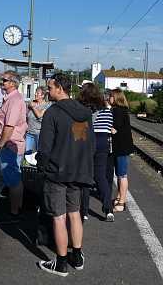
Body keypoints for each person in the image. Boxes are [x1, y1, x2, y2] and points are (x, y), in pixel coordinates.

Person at [37, 73, 94, 277]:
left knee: (59, 218)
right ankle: (77, 256)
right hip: (77, 172)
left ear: (60, 88)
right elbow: (84, 142)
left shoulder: (52, 113)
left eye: (50, 87)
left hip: (57, 173)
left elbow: (44, 148)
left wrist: (42, 168)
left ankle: (60, 263)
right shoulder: (83, 112)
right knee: (75, 213)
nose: (48, 91)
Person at [0, 71, 27, 222]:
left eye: (4, 80)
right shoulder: (11, 99)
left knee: (13, 180)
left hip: (9, 146)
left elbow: (9, 126)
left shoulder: (14, 100)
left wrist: (1, 145)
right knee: (15, 178)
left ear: (13, 83)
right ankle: (17, 208)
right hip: (12, 146)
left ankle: (14, 212)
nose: (2, 82)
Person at [78, 83, 114, 222]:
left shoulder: (86, 110)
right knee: (101, 176)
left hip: (90, 141)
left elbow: (82, 130)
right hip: (104, 142)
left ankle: (84, 211)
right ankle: (108, 209)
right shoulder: (107, 111)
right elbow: (109, 127)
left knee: (86, 176)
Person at [110, 89, 134, 212]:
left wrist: (110, 128)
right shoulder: (122, 110)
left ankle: (122, 202)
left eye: (111, 96)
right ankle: (119, 197)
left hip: (121, 148)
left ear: (116, 98)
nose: (109, 98)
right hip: (121, 147)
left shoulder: (117, 111)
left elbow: (115, 128)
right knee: (120, 174)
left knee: (122, 175)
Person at [25, 86, 50, 154]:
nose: (35, 94)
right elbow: (26, 116)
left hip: (39, 134)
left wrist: (33, 107)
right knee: (28, 154)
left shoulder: (47, 105)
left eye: (38, 93)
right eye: (35, 92)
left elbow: (39, 115)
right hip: (29, 133)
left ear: (43, 95)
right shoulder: (31, 103)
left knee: (39, 154)